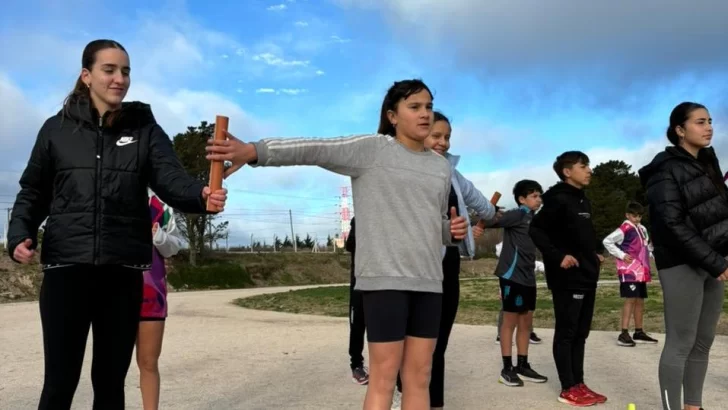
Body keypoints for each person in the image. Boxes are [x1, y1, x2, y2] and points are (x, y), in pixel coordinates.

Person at [205, 79, 469, 410]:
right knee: (385, 377)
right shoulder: (373, 150)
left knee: (420, 376)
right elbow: (316, 148)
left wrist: (449, 231)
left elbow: (428, 224)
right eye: (414, 107)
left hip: (430, 283)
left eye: (428, 106)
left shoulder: (440, 167)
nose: (425, 114)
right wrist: (256, 151)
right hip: (384, 281)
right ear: (392, 115)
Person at [6, 39, 227, 410]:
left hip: (122, 272)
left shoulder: (145, 130)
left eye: (125, 71)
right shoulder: (54, 130)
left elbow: (171, 179)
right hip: (66, 270)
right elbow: (33, 191)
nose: (119, 79)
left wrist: (201, 196)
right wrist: (19, 234)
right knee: (60, 382)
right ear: (86, 75)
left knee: (110, 383)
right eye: (109, 70)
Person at [390, 111, 497, 410]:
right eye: (436, 135)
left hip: (447, 259)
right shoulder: (403, 168)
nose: (443, 142)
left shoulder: (452, 173)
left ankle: (434, 402)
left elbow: (484, 207)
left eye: (447, 137)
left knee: (439, 339)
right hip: (414, 260)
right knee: (413, 337)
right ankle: (404, 391)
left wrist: (497, 216)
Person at [638, 102, 728, 410]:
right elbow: (670, 225)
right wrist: (714, 261)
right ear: (680, 130)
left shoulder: (707, 163)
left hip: (713, 263)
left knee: (703, 341)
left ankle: (694, 406)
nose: (709, 127)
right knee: (680, 343)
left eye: (710, 121)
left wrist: (720, 257)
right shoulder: (665, 170)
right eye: (700, 122)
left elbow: (717, 216)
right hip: (681, 264)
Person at [529, 151, 606, 407]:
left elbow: (580, 235)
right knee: (567, 332)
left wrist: (594, 254)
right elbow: (536, 230)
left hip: (587, 275)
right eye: (583, 166)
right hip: (567, 278)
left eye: (589, 166)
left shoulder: (583, 201)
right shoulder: (557, 200)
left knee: (581, 333)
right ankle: (567, 388)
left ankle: (579, 383)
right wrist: (558, 256)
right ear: (567, 171)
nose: (589, 170)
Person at [478, 180, 548, 387]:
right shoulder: (518, 214)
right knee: (510, 322)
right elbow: (492, 221)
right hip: (511, 275)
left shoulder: (533, 218)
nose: (538, 200)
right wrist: (490, 213)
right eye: (534, 196)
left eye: (539, 195)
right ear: (522, 199)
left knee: (526, 321)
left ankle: (523, 365)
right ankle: (507, 369)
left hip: (528, 276)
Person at [137, 190, 184, 410]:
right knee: (110, 367)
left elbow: (174, 246)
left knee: (148, 362)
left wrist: (159, 236)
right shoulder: (108, 190)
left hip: (151, 293)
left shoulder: (160, 204)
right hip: (112, 290)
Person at [602, 200, 658, 347]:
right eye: (634, 216)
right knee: (630, 299)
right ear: (627, 215)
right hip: (629, 271)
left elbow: (646, 246)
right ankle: (624, 332)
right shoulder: (624, 229)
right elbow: (607, 241)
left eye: (639, 216)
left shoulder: (643, 229)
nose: (637, 218)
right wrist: (621, 255)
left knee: (640, 299)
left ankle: (638, 331)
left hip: (641, 270)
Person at [345, 217, 369, 385]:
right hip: (359, 282)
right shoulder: (358, 218)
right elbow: (350, 245)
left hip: (383, 282)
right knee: (357, 324)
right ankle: (356, 365)